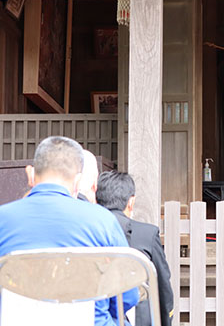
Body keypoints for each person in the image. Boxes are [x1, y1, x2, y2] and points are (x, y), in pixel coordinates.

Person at [0, 136, 138, 326]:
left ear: (30, 174)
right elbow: (127, 296)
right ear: (77, 182)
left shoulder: (3, 219)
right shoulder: (103, 221)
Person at [96, 171, 174, 326]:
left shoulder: (89, 231)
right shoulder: (147, 234)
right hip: (139, 317)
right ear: (131, 201)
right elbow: (163, 288)